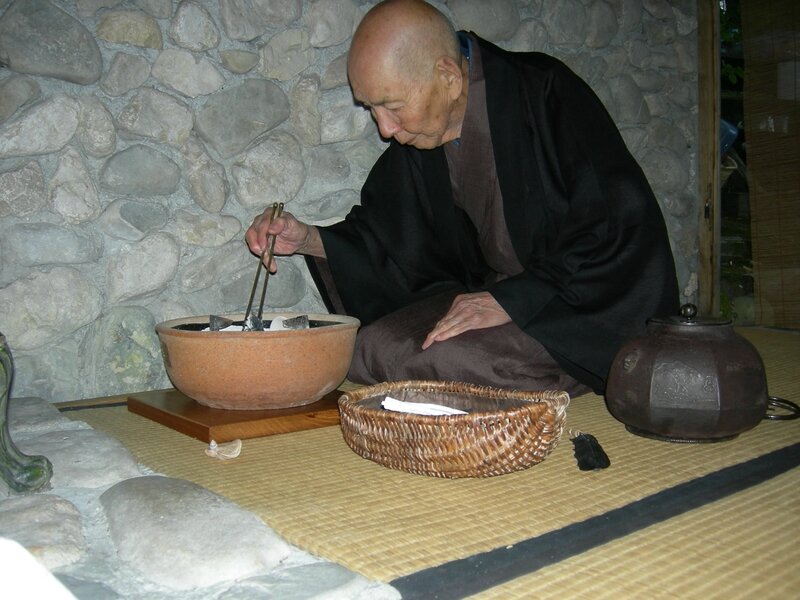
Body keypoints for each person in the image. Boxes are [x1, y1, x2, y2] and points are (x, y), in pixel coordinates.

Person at [245, 0, 679, 396]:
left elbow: (612, 224)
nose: (385, 129)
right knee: (368, 348)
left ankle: (583, 371)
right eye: (371, 108)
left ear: (449, 77)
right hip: (493, 296)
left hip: (571, 303)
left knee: (452, 359)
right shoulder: (422, 136)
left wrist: (511, 300)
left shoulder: (547, 94)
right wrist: (307, 240)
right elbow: (391, 234)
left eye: (392, 106)